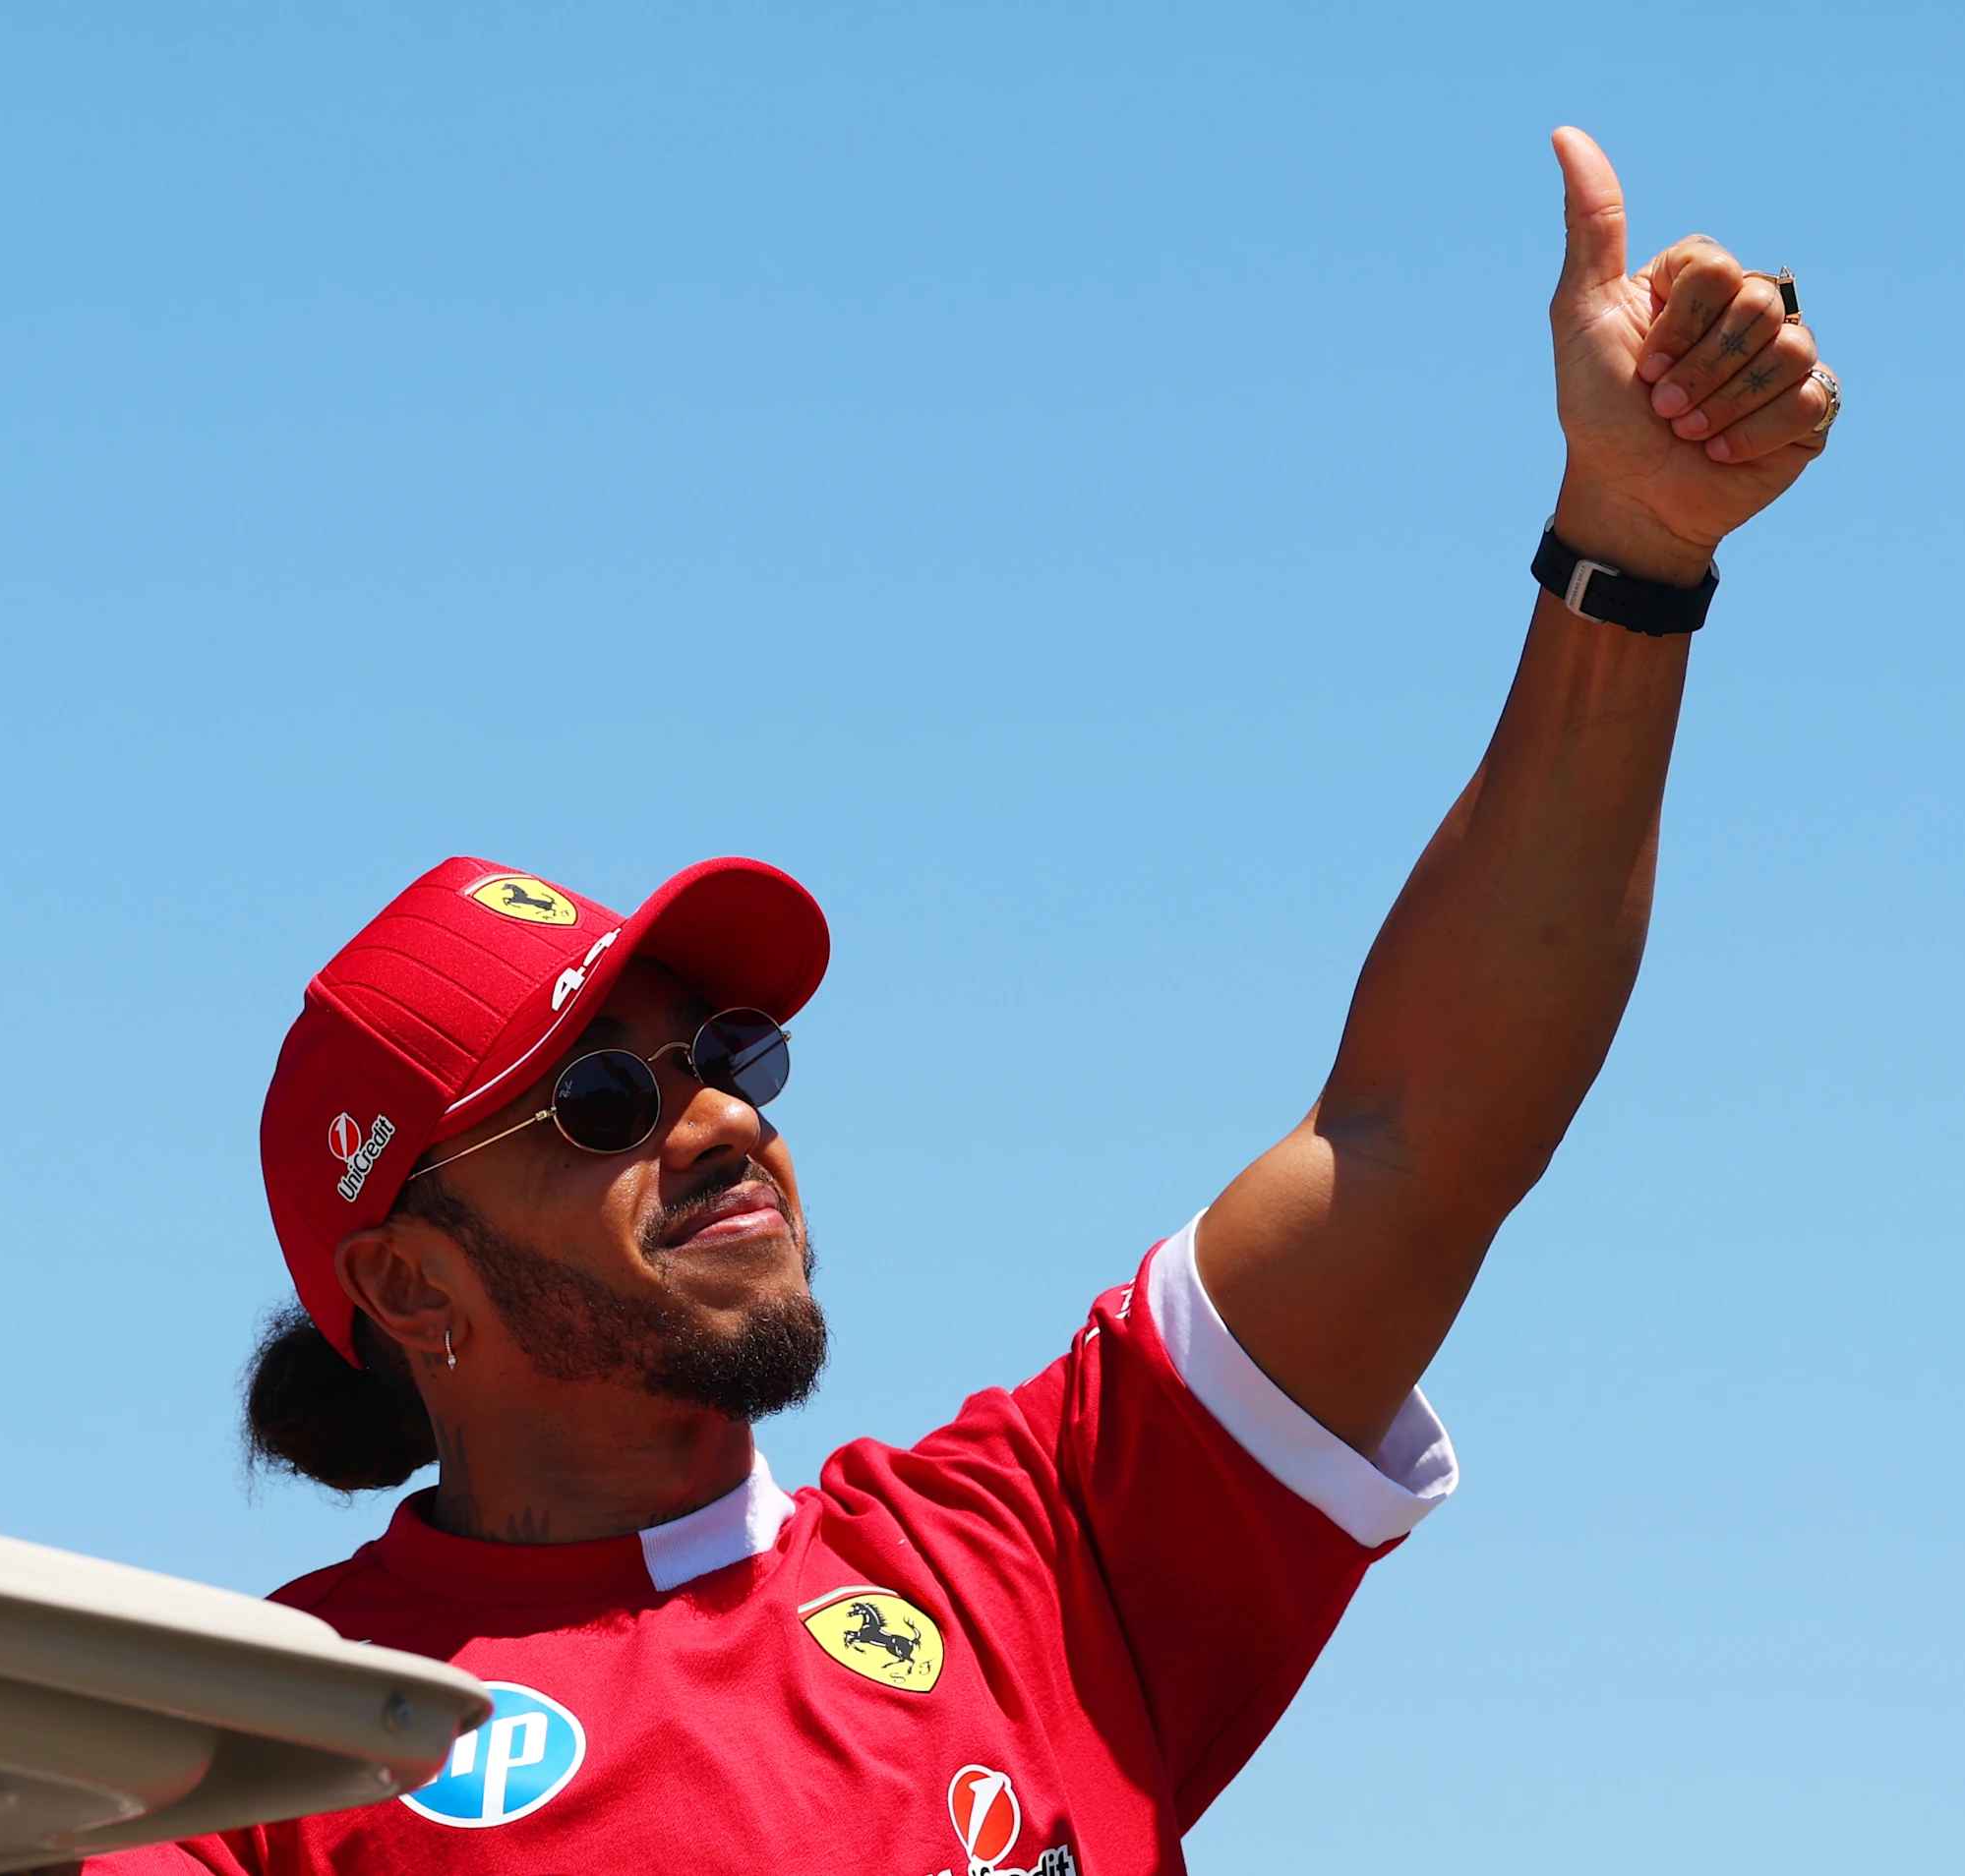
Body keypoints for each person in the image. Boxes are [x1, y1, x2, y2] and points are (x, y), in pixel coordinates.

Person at [95, 127, 1836, 1876]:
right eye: (599, 1104)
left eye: (722, 1053)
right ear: (407, 1284)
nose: (717, 1118)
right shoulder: (253, 1773)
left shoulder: (1035, 1551)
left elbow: (1414, 1139)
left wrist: (1629, 550)